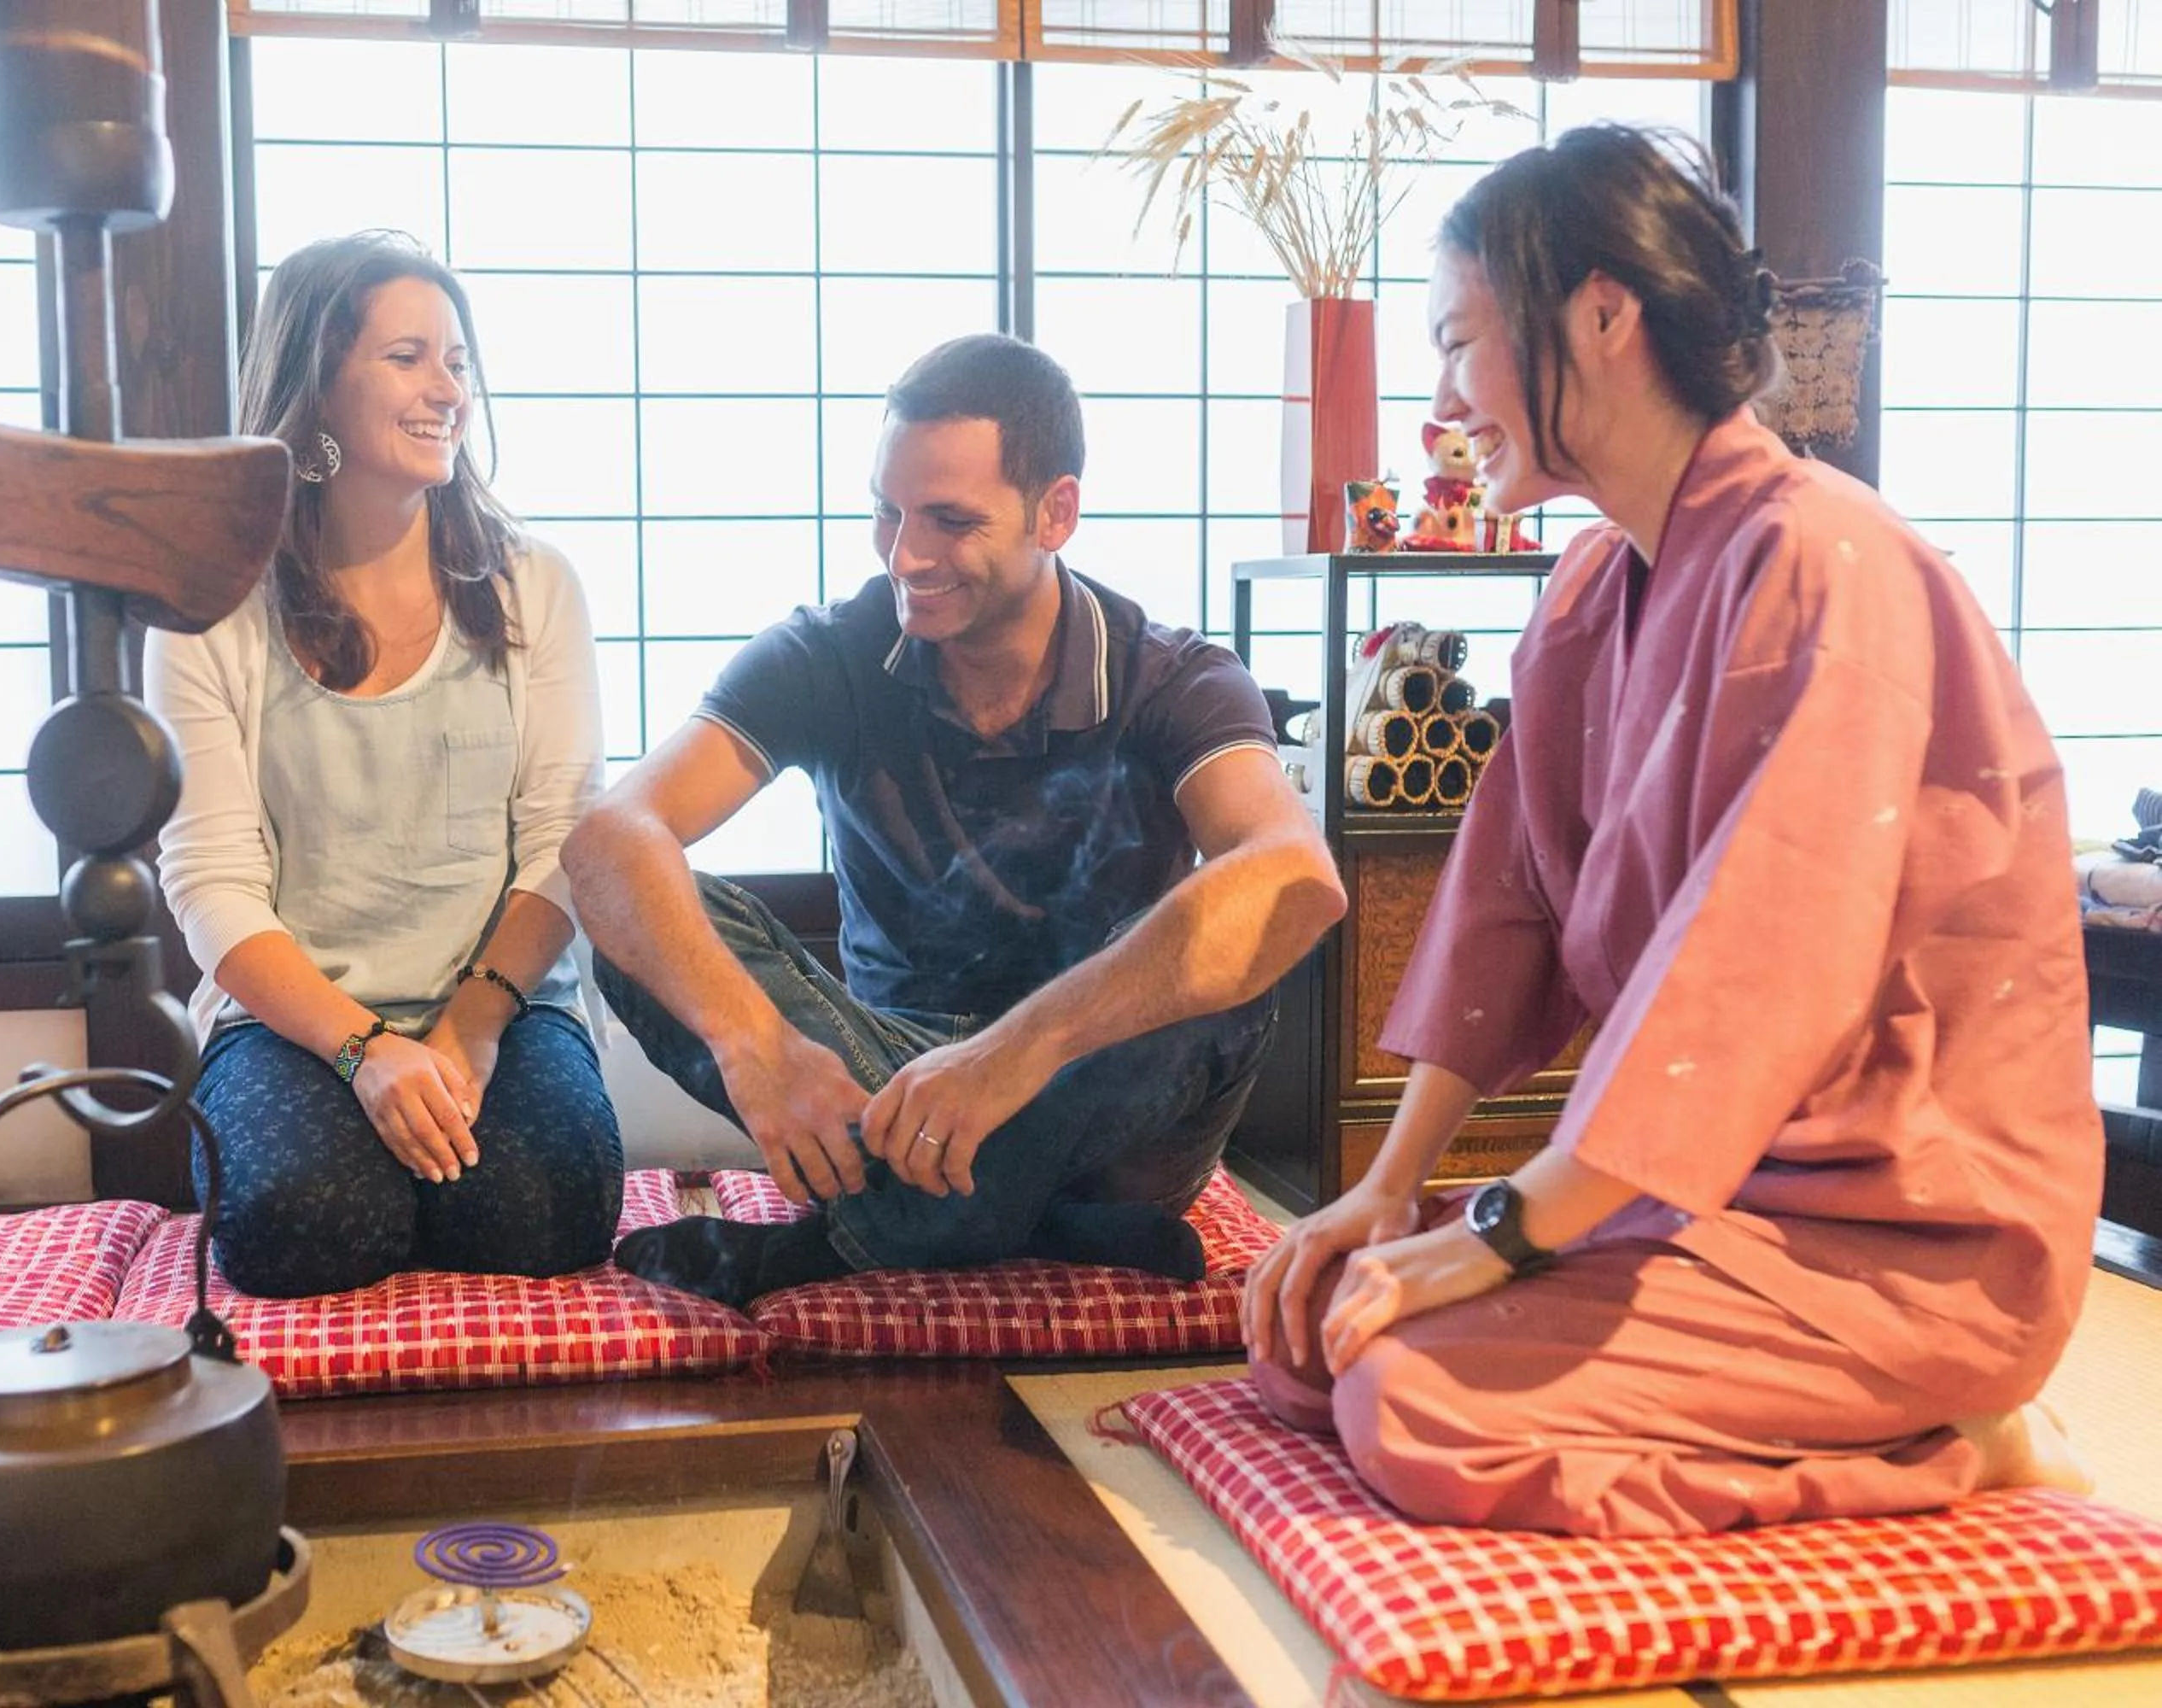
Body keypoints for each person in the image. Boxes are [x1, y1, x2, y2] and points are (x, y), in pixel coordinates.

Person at [1242, 125, 2102, 1536]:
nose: (1444, 396)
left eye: (1459, 342)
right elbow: (1503, 911)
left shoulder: (1835, 564)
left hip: (1900, 1240)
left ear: (1601, 311)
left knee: (1411, 1404)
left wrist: (1508, 1230)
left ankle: (1956, 1446)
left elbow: (1762, 965)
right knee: (1310, 1334)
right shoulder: (1591, 591)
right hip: (1705, 1207)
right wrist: (1390, 1197)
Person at [562, 334, 1344, 1307]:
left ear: (1056, 511)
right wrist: (754, 1045)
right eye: (886, 513)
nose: (906, 556)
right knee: (643, 922)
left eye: (949, 520)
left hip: (1097, 1100)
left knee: (1235, 961)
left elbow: (1297, 877)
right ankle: (1024, 1227)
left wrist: (1010, 1056)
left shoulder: (1170, 674)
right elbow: (608, 838)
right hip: (890, 1080)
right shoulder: (834, 651)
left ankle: (838, 1249)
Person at [148, 231, 621, 1298]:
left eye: (457, 361)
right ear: (316, 382)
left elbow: (564, 843)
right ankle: (376, 1172)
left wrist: (469, 1026)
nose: (447, 388)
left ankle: (428, 1172)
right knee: (298, 1225)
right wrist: (368, 1054)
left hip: (499, 997)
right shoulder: (213, 608)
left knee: (552, 1206)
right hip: (297, 1018)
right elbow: (211, 882)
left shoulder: (533, 586)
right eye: (408, 356)